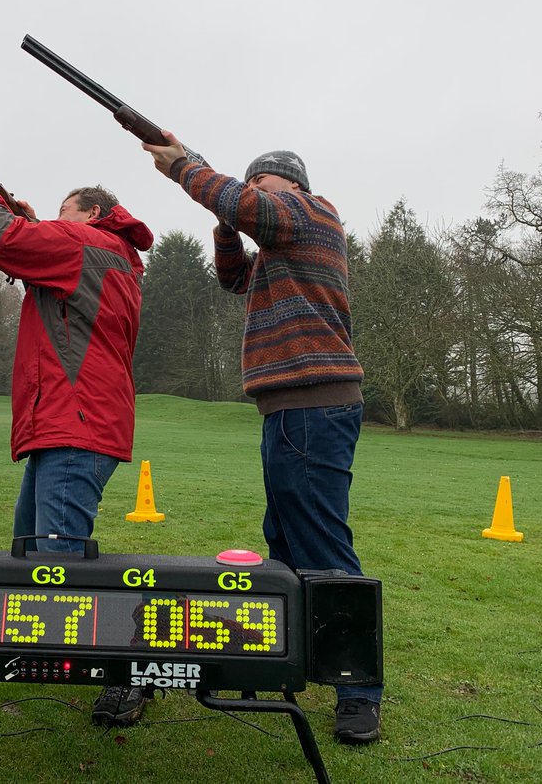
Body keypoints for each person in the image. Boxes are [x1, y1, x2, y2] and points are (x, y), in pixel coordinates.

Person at [137, 136, 384, 744]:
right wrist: (225, 222)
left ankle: (358, 691)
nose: (253, 197)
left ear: (293, 186)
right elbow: (230, 277)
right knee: (285, 538)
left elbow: (256, 210)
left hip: (313, 404)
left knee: (322, 545)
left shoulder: (312, 214)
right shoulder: (279, 247)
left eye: (262, 185)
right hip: (291, 409)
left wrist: (185, 169)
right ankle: (295, 659)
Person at [0, 160, 156, 727]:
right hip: (77, 420)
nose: (56, 218)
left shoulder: (84, 241)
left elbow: (6, 238)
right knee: (34, 552)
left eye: (65, 210)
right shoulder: (113, 255)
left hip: (75, 419)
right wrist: (34, 221)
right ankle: (44, 651)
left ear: (93, 213)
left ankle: (125, 672)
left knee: (58, 564)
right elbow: (34, 246)